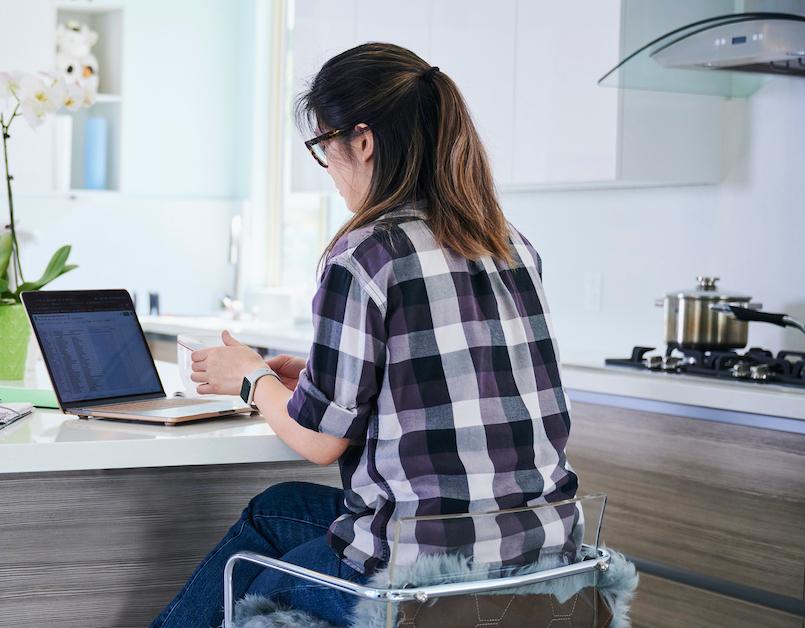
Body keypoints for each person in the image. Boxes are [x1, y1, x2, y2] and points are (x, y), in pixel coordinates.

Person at [149, 42, 579, 627]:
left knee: (244, 582)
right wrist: (319, 379)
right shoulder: (510, 244)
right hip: (544, 566)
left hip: (418, 581)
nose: (329, 171)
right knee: (279, 510)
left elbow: (320, 442)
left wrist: (248, 378)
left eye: (324, 147)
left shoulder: (366, 254)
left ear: (363, 141)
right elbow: (448, 385)